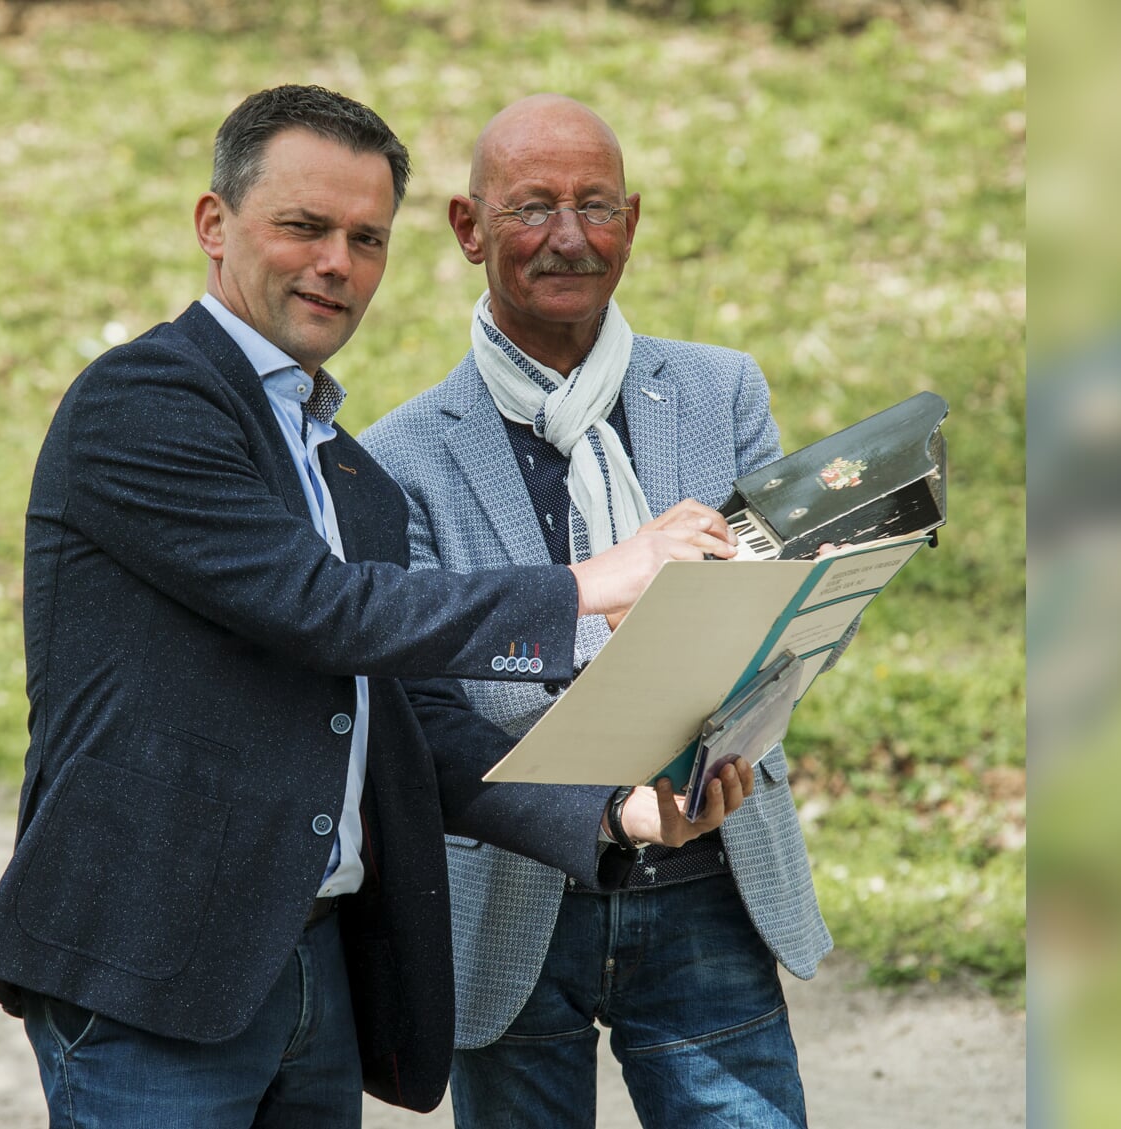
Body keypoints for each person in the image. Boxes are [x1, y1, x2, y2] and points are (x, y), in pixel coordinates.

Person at [0, 84, 755, 1127]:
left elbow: (406, 720)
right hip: (149, 968)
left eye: (365, 238)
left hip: (315, 969)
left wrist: (611, 810)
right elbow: (323, 608)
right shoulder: (141, 403)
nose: (336, 262)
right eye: (303, 226)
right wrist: (588, 584)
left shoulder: (350, 469)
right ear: (214, 224)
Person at [364, 94, 842, 1128]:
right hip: (511, 896)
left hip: (710, 872)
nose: (570, 237)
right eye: (533, 206)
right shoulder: (397, 460)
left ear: (633, 221)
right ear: (467, 228)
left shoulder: (723, 393)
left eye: (596, 205)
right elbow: (425, 698)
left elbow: (795, 620)